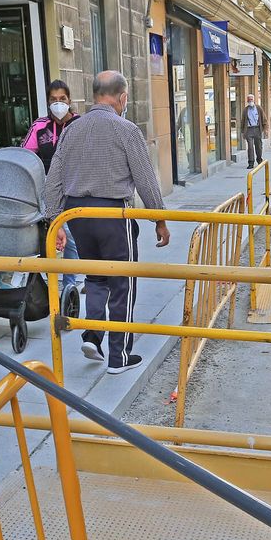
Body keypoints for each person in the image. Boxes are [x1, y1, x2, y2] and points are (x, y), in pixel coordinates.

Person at [41, 71, 169, 375]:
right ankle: (119, 356)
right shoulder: (126, 129)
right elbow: (146, 180)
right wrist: (159, 220)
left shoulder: (71, 130)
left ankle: (93, 335)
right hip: (112, 215)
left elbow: (53, 181)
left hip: (77, 217)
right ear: (122, 97)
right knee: (122, 283)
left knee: (96, 278)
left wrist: (54, 222)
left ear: (95, 94)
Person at [23, 79, 82, 298]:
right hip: (47, 188)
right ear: (48, 102)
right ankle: (50, 282)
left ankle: (69, 285)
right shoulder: (39, 126)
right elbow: (26, 155)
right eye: (53, 100)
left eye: (62, 99)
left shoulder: (80, 124)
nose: (58, 103)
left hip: (73, 186)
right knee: (49, 234)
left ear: (69, 100)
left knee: (70, 235)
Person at [242, 93, 265, 168]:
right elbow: (243, 121)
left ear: (254, 100)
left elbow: (264, 118)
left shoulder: (258, 108)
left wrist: (265, 129)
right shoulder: (245, 110)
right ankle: (251, 163)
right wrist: (243, 132)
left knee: (258, 146)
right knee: (250, 147)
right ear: (247, 101)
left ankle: (259, 160)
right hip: (249, 130)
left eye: (251, 99)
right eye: (249, 100)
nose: (250, 101)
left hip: (257, 129)